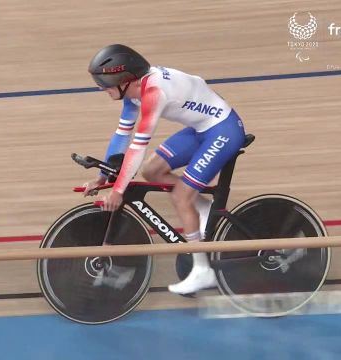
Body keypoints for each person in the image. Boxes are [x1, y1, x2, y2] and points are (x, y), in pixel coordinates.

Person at [83, 44, 246, 295]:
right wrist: (102, 175)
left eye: (104, 83)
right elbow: (122, 135)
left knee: (181, 196)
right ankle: (204, 211)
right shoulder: (133, 92)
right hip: (201, 129)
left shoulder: (154, 93)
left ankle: (203, 271)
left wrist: (118, 190)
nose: (101, 88)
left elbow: (138, 147)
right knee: (153, 171)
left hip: (223, 130)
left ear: (123, 79)